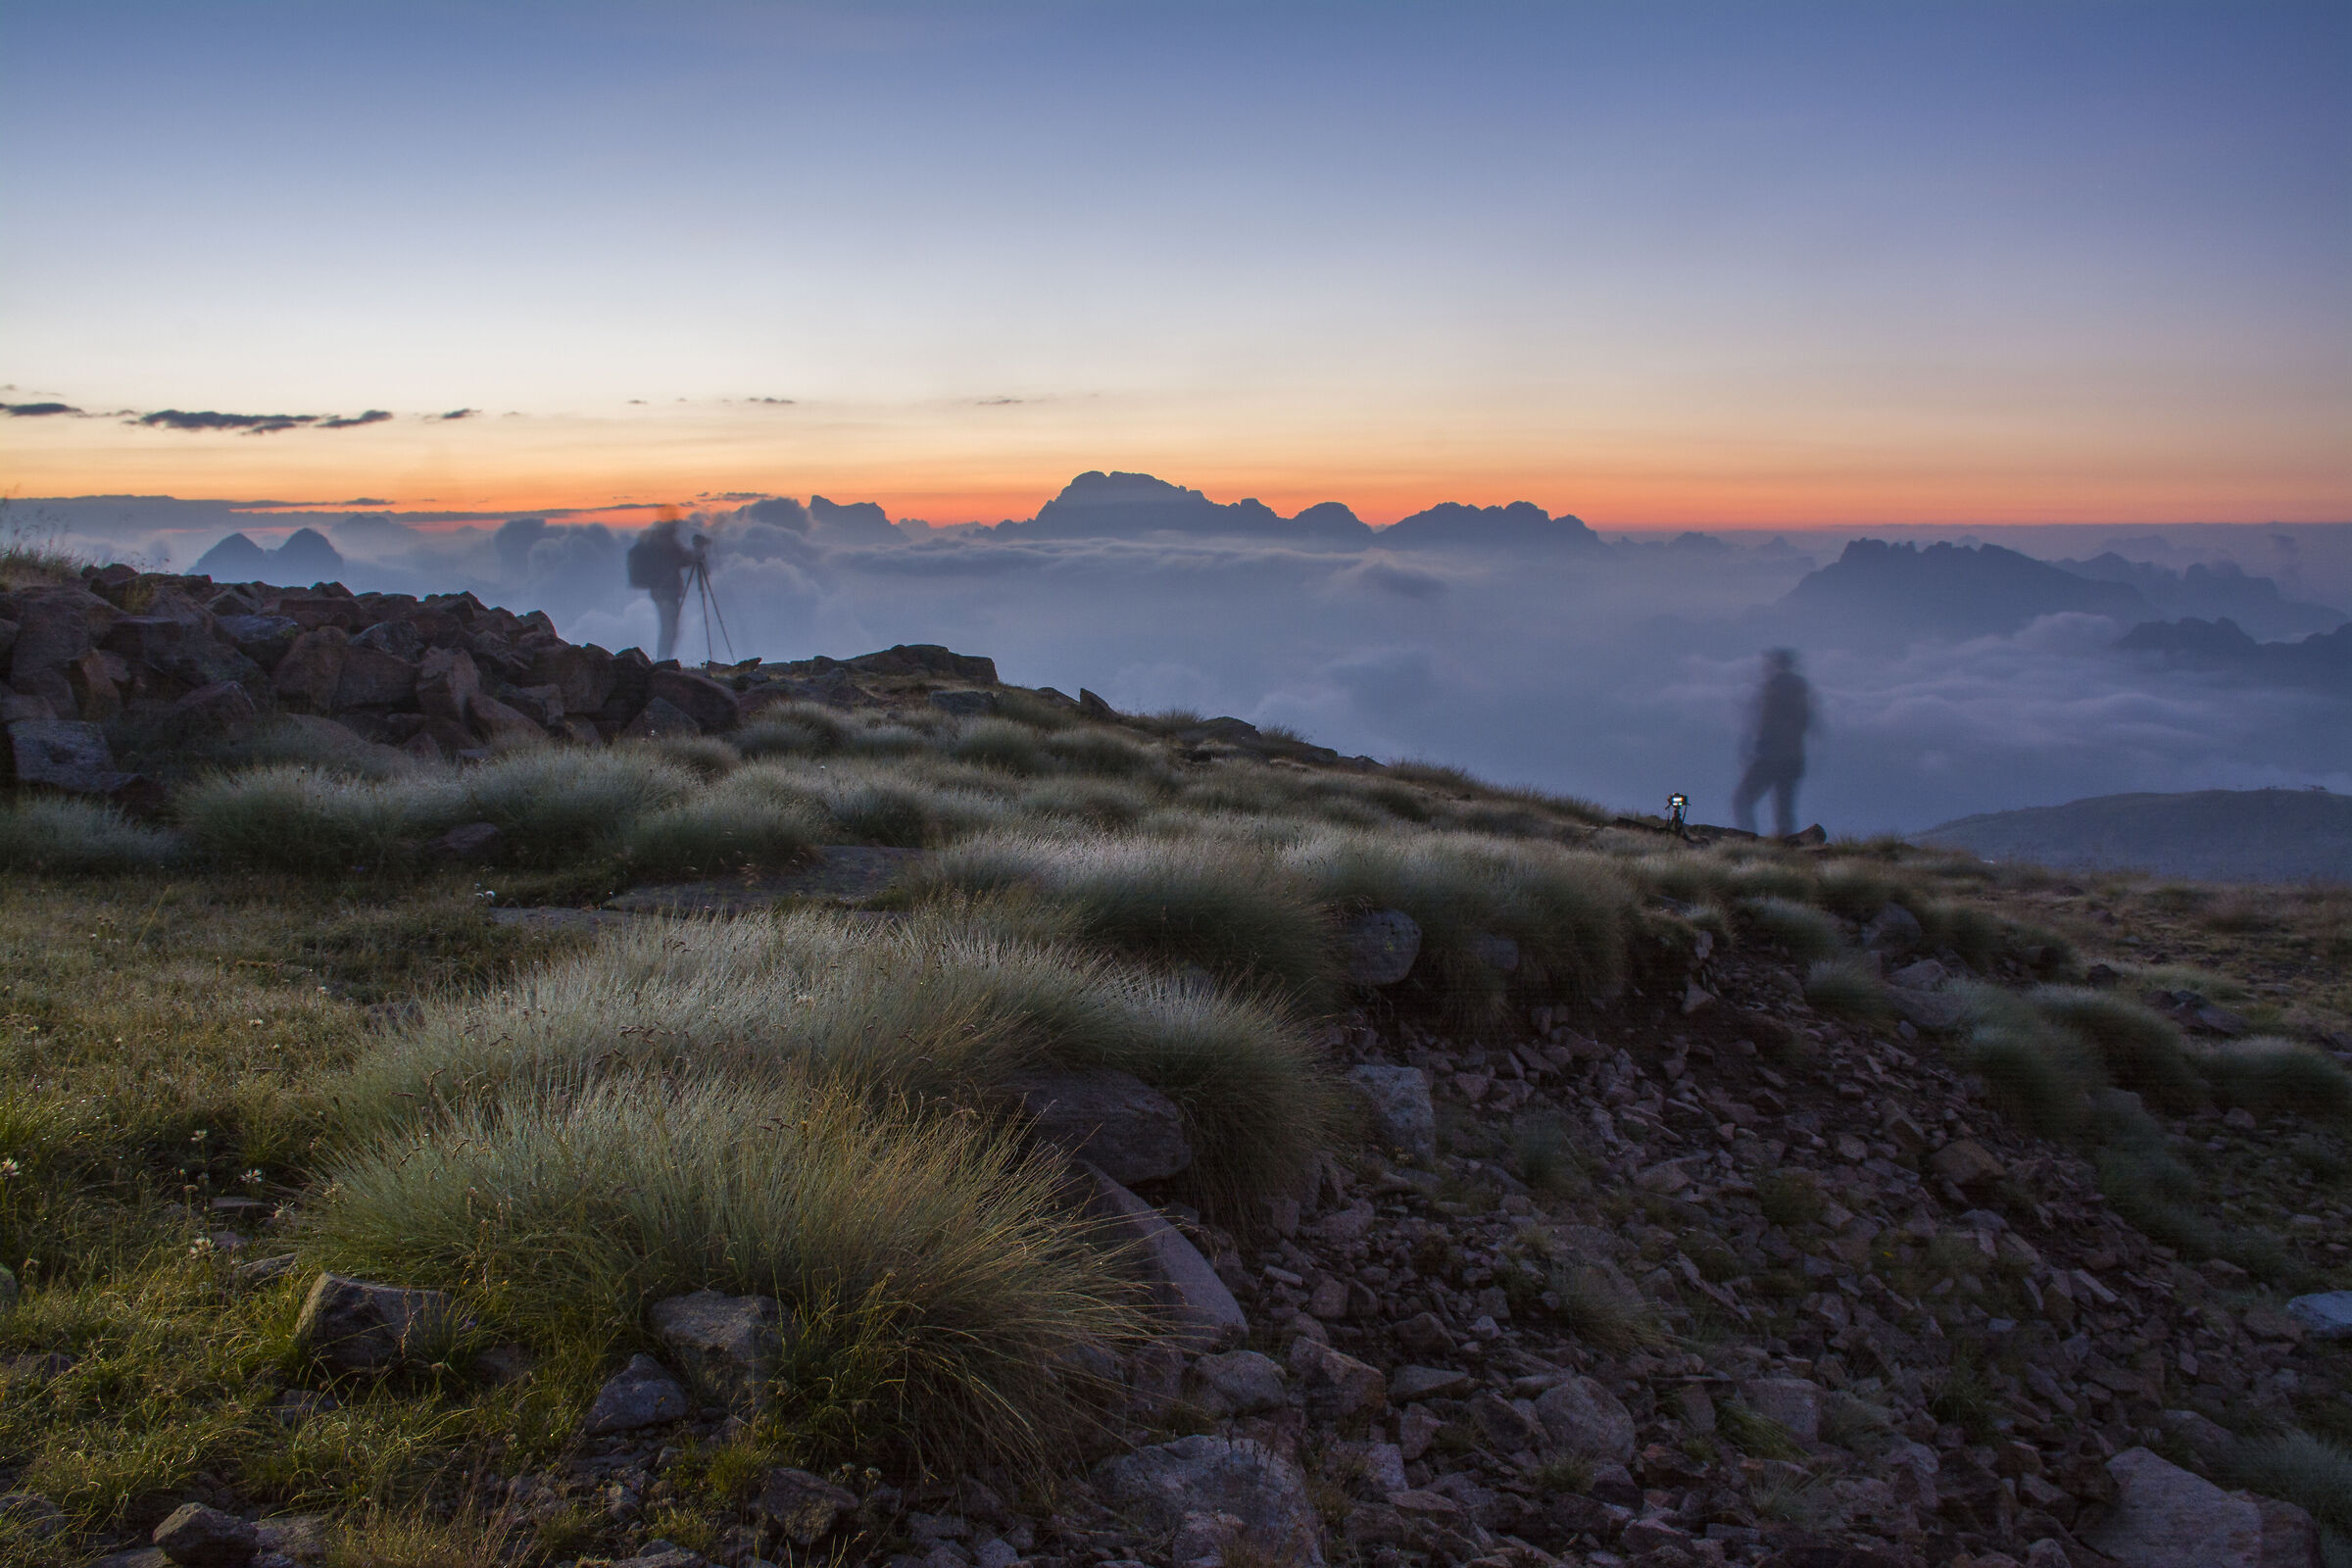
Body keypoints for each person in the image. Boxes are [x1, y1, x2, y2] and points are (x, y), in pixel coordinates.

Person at [1733, 648, 1813, 839]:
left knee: (1742, 800)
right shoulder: (1799, 689)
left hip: (1772, 757)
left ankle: (1749, 842)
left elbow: (1766, 723)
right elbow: (1806, 723)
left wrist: (1757, 745)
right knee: (1784, 808)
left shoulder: (1774, 688)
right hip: (1793, 758)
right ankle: (1786, 848)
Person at [624, 517, 708, 662]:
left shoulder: (657, 545)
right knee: (669, 629)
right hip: (667, 592)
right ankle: (663, 661)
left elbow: (681, 560)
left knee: (668, 627)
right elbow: (684, 559)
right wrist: (698, 550)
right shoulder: (666, 546)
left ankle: (663, 659)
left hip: (660, 592)